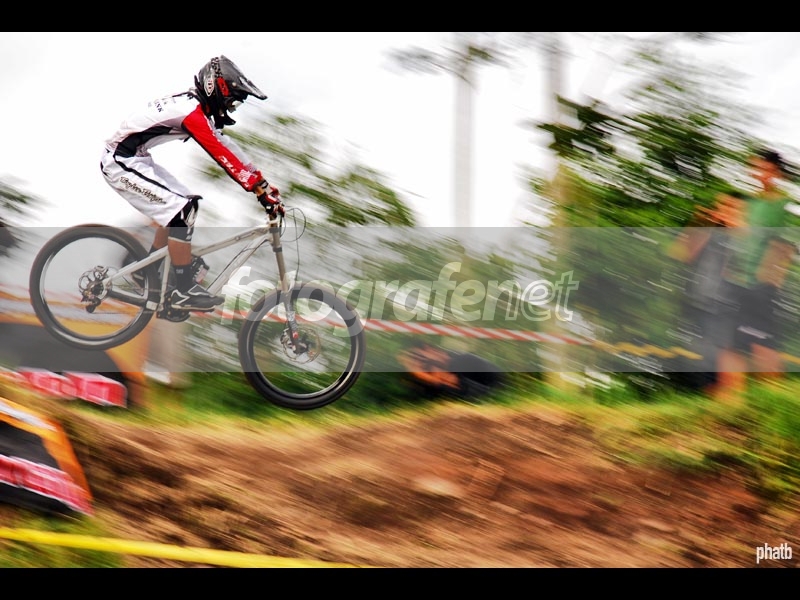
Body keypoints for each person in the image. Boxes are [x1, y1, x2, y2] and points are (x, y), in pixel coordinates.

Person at [100, 55, 283, 312]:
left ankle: (148, 271)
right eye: (231, 103)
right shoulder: (192, 113)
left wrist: (261, 182)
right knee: (181, 210)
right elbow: (221, 153)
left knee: (187, 204)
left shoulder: (195, 108)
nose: (230, 109)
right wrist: (257, 188)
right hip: (120, 161)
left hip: (136, 158)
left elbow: (227, 145)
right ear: (216, 89)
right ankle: (183, 289)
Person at [670, 148, 799, 402]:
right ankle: (732, 401)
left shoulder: (779, 205)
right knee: (731, 345)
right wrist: (704, 222)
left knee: (762, 344)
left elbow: (780, 246)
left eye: (764, 170)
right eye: (755, 168)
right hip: (733, 289)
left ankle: (778, 400)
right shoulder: (748, 204)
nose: (758, 174)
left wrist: (771, 282)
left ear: (777, 173)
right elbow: (683, 252)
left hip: (759, 286)